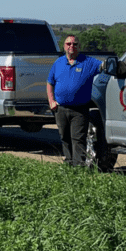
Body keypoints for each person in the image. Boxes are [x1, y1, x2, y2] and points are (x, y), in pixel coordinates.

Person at [47, 35, 104, 166]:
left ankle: (79, 166)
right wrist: (51, 101)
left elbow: (103, 66)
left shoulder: (88, 62)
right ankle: (69, 163)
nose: (71, 46)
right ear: (64, 46)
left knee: (78, 139)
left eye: (74, 44)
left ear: (79, 46)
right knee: (65, 137)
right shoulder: (58, 63)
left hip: (80, 109)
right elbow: (50, 82)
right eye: (68, 44)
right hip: (60, 109)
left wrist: (115, 65)